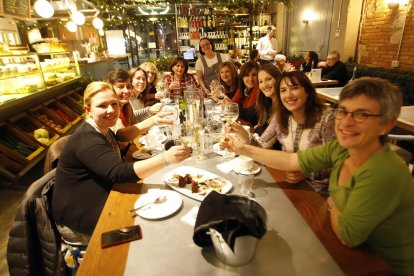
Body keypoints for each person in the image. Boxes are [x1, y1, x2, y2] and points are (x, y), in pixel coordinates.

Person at [223, 77, 414, 274]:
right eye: (343, 111)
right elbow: (291, 161)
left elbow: (348, 235)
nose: (346, 123)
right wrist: (243, 149)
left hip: (384, 267)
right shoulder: (341, 149)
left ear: (386, 125)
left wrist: (333, 203)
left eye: (362, 115)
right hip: (354, 250)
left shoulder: (382, 171)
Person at [52, 82, 191, 239]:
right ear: (88, 110)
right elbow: (118, 173)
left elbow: (121, 140)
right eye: (102, 106)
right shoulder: (87, 138)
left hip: (100, 198)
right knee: (156, 232)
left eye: (114, 104)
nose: (111, 110)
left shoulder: (102, 129)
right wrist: (166, 158)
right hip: (79, 218)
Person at [229, 70, 336, 183]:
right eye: (283, 90)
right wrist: (245, 136)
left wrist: (307, 172)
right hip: (288, 182)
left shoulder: (327, 119)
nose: (288, 95)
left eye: (294, 88)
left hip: (319, 189)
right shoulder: (280, 117)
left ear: (307, 91)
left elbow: (336, 162)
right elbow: (262, 147)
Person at [107, 68, 172, 143]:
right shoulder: (111, 108)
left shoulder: (126, 105)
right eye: (120, 87)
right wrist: (153, 119)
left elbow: (134, 123)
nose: (126, 91)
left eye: (128, 87)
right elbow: (120, 134)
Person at [231, 61, 260, 126]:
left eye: (254, 75)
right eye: (247, 75)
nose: (250, 79)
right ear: (242, 77)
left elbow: (248, 117)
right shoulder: (244, 89)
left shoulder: (258, 88)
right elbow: (231, 107)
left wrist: (236, 119)